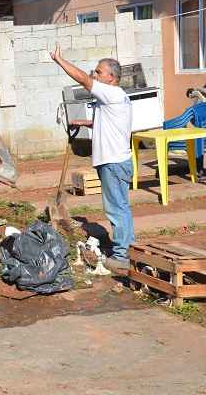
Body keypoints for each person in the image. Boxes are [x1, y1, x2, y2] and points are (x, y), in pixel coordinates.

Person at [49, 45, 133, 272]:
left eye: (99, 72)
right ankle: (125, 248)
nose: (95, 75)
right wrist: (87, 123)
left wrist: (60, 60)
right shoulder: (115, 97)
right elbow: (110, 122)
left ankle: (122, 255)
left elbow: (84, 80)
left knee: (117, 209)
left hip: (114, 163)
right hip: (116, 161)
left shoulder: (112, 92)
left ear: (111, 78)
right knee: (120, 207)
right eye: (95, 71)